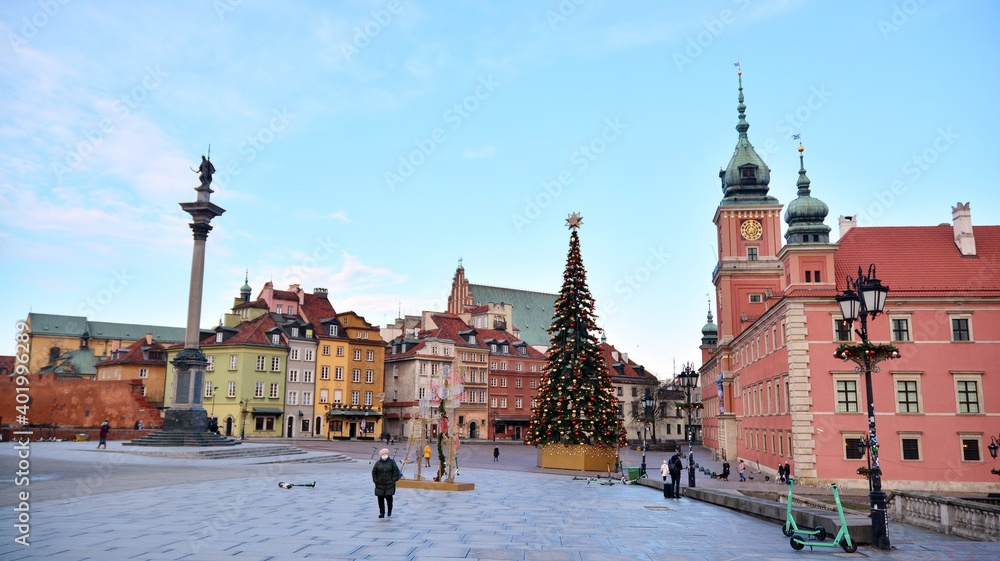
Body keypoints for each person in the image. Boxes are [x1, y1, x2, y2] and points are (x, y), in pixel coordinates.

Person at [371, 448, 401, 518]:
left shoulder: (392, 462)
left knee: (389, 498)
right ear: (380, 455)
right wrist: (376, 480)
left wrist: (393, 480)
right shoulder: (377, 463)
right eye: (383, 454)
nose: (384, 455)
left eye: (385, 454)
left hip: (389, 484)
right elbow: (374, 472)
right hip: (379, 484)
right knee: (380, 499)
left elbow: (396, 471)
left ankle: (389, 510)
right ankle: (382, 512)